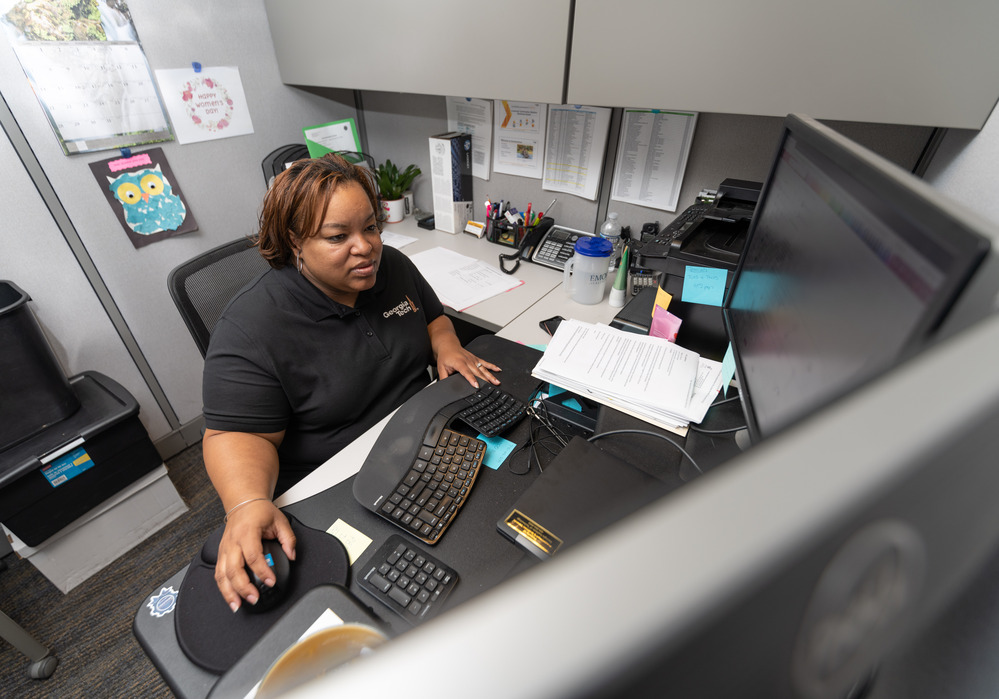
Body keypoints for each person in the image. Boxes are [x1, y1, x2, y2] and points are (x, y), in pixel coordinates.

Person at [201, 153, 500, 611]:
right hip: (340, 479)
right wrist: (245, 503)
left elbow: (433, 316)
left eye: (372, 228)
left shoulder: (391, 267)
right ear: (294, 242)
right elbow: (234, 434)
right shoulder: (251, 327)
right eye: (338, 237)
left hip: (421, 439)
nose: (366, 247)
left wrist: (447, 345)